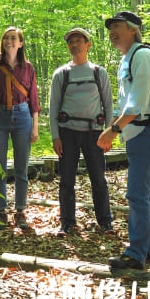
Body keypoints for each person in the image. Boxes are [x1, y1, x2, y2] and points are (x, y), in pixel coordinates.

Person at [97, 11, 150, 270]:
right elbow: (123, 102)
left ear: (133, 30)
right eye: (111, 28)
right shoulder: (126, 59)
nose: (112, 32)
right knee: (148, 193)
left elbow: (137, 105)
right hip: (134, 133)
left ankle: (136, 254)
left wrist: (113, 130)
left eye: (118, 26)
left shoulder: (144, 56)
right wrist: (112, 128)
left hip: (146, 132)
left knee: (137, 194)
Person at [49, 28, 114, 237]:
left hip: (94, 133)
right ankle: (67, 223)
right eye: (71, 42)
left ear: (88, 45)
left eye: (79, 41)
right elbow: (53, 107)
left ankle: (105, 222)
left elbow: (108, 104)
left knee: (99, 179)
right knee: (66, 180)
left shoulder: (98, 72)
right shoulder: (61, 74)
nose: (75, 44)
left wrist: (110, 132)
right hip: (67, 133)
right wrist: (55, 136)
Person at [0, 27, 40, 231]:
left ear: (21, 43)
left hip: (23, 117)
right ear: (2, 42)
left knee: (21, 168)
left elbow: (33, 99)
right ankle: (1, 211)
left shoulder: (28, 68)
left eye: (14, 38)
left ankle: (20, 211)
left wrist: (35, 127)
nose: (9, 41)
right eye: (6, 38)